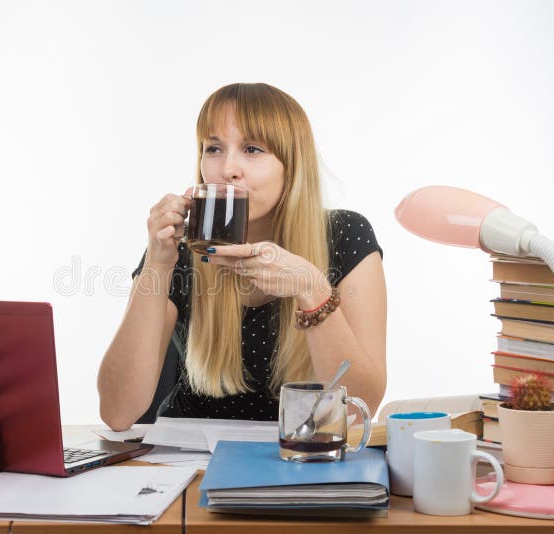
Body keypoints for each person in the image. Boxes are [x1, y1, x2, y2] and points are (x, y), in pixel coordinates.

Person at [98, 83, 386, 431]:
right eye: (214, 148)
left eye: (252, 149)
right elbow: (117, 411)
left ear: (291, 166)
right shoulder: (181, 246)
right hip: (188, 459)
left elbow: (357, 412)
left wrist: (311, 288)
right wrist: (157, 265)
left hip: (298, 457)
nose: (228, 168)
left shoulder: (345, 234)